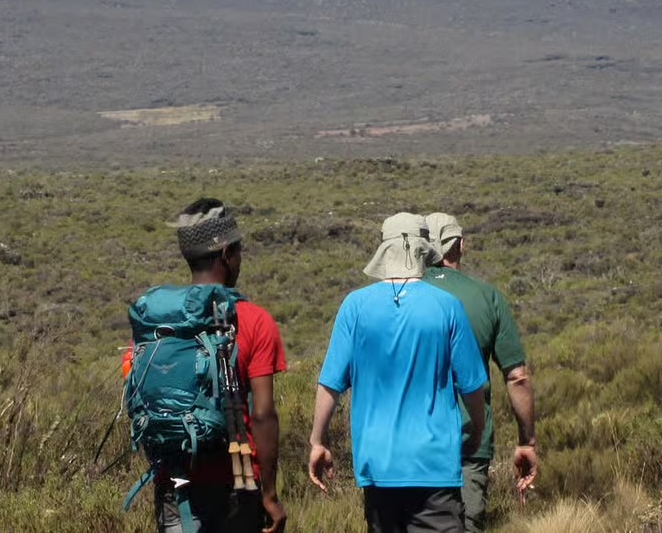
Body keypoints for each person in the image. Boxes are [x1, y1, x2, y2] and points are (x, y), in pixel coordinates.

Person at [310, 212, 489, 533]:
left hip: (378, 467)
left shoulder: (355, 306)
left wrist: (317, 440)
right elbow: (472, 385)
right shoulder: (447, 306)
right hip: (435, 467)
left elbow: (331, 384)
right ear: (424, 251)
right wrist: (477, 430)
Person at [155, 198, 288, 533]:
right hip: (238, 483)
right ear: (227, 253)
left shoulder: (162, 321)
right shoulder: (254, 320)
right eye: (239, 249)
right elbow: (263, 415)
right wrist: (269, 493)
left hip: (176, 482)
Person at [422, 212, 538, 531]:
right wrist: (526, 441)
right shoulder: (489, 297)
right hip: (468, 445)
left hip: (408, 449)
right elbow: (517, 377)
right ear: (461, 245)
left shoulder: (402, 296)